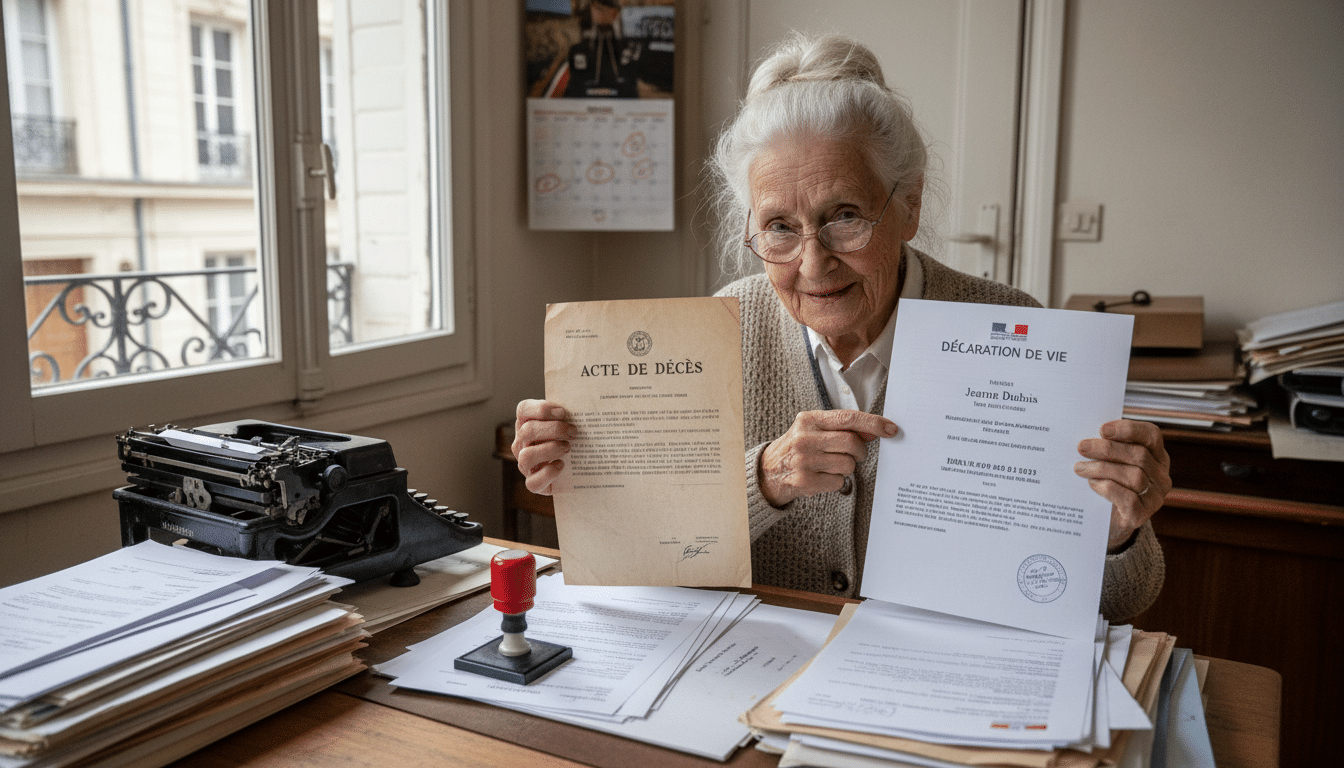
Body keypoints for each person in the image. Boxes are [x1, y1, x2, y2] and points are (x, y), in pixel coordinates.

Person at [513, 33, 1168, 621]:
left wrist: (1111, 533)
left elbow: (1124, 601)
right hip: (754, 691)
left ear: (908, 204)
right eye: (779, 227)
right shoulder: (723, 331)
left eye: (845, 215)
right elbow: (651, 555)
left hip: (940, 693)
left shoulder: (1015, 330)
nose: (814, 262)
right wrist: (593, 475)